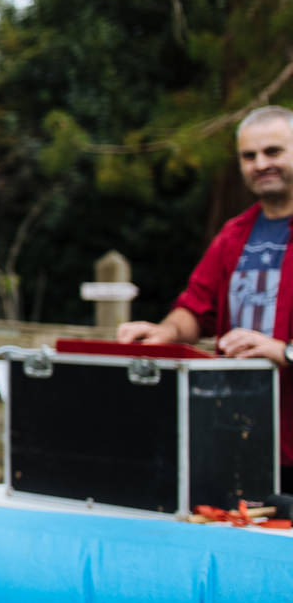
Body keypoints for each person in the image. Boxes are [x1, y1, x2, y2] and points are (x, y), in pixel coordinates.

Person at [118, 106, 293, 470]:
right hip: (239, 435)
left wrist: (284, 351)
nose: (261, 164)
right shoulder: (233, 236)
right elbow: (196, 309)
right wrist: (165, 332)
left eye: (273, 152)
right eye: (249, 156)